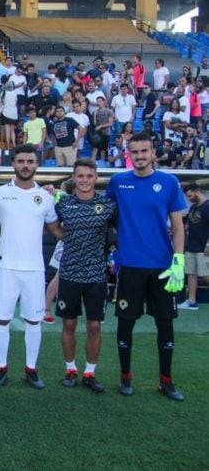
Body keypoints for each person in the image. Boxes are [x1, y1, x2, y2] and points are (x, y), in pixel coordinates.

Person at [105, 132, 186, 402]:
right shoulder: (118, 182)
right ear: (129, 153)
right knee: (125, 324)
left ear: (153, 153)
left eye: (144, 151)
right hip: (129, 266)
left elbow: (177, 226)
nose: (139, 156)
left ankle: (166, 380)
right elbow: (107, 216)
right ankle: (125, 377)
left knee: (165, 324)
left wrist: (179, 259)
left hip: (162, 267)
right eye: (134, 152)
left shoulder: (169, 182)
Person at [0, 144, 62, 389]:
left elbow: (57, 230)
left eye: (30, 161)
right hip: (6, 268)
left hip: (35, 270)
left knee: (33, 321)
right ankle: (1, 368)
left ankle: (31, 369)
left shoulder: (47, 197)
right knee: (2, 320)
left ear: (37, 165)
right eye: (21, 161)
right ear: (13, 164)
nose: (25, 165)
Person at [54, 159, 117, 393]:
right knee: (69, 323)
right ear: (73, 177)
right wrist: (65, 238)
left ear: (95, 177)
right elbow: (51, 225)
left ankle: (90, 372)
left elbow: (121, 230)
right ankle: (70, 369)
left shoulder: (107, 205)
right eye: (80, 176)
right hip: (70, 273)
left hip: (96, 277)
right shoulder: (64, 204)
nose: (84, 180)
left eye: (89, 176)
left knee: (94, 326)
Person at [178, 183, 209, 311]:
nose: (189, 199)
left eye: (190, 196)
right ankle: (192, 301)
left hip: (203, 247)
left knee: (205, 275)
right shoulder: (193, 208)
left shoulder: (207, 206)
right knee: (191, 273)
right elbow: (187, 224)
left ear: (196, 191)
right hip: (191, 246)